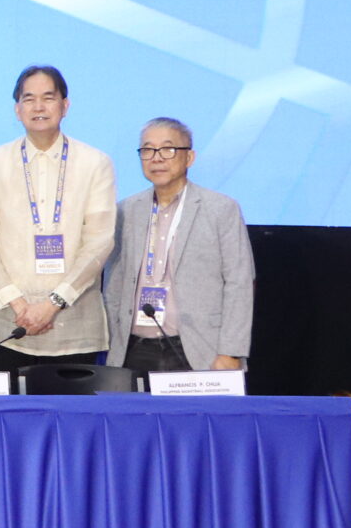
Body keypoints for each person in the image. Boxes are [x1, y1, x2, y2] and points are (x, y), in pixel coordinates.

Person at [0, 64, 118, 371]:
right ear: (17, 109)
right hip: (8, 323)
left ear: (65, 105)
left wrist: (52, 304)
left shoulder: (95, 163)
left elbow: (99, 242)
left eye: (48, 98)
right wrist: (18, 304)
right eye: (29, 99)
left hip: (73, 323)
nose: (38, 107)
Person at [101, 116, 254, 375]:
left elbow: (240, 283)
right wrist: (115, 345)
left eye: (168, 149)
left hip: (198, 349)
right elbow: (113, 283)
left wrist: (231, 351)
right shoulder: (126, 210)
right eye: (148, 150)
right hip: (133, 350)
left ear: (189, 157)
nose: (156, 158)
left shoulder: (221, 209)